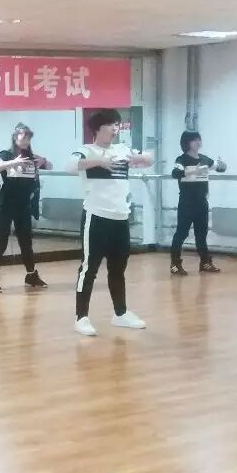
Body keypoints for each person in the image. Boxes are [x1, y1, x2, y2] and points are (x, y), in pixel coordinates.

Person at [69, 109, 153, 336]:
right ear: (98, 128)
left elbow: (149, 159)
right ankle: (81, 317)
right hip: (96, 217)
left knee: (118, 269)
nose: (115, 129)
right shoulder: (87, 150)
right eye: (110, 124)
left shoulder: (122, 149)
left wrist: (138, 158)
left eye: (117, 124)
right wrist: (100, 162)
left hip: (120, 219)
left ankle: (120, 313)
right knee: (89, 268)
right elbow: (70, 165)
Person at [0, 124, 51, 293]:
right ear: (15, 138)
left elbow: (49, 165)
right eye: (23, 136)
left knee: (26, 242)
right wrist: (13, 162)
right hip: (6, 204)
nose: (26, 140)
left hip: (23, 205)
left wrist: (43, 161)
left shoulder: (31, 157)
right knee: (1, 241)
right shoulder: (6, 154)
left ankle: (31, 275)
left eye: (28, 137)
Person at [170, 130, 227, 276]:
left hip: (202, 202)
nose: (198, 142)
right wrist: (193, 171)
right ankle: (175, 263)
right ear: (187, 143)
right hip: (187, 202)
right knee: (181, 233)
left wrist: (222, 164)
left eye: (199, 139)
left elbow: (220, 168)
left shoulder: (205, 159)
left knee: (201, 234)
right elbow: (175, 173)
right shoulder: (182, 159)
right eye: (194, 140)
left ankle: (205, 262)